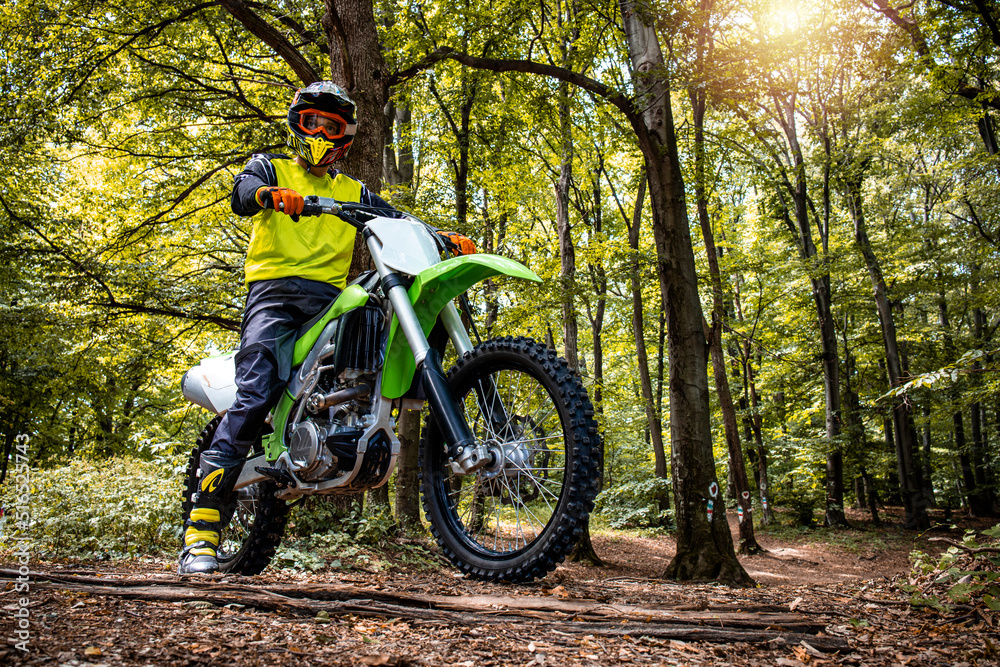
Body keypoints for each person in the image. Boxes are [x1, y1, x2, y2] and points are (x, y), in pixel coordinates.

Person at [178, 81, 398, 575]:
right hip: (274, 295)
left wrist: (438, 234)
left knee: (372, 354)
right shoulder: (271, 166)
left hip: (329, 299)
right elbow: (241, 194)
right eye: (312, 121)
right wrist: (267, 195)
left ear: (345, 135)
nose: (320, 131)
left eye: (332, 125)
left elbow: (391, 217)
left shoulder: (353, 191)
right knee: (255, 395)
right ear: (297, 123)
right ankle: (201, 532)